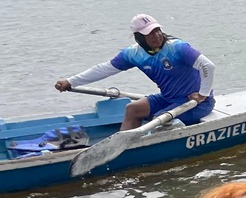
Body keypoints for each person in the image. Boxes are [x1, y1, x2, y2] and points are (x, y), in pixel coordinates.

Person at [55, 14, 215, 130]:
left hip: (195, 103)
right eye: (150, 33)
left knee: (158, 118)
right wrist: (71, 81)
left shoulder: (177, 47)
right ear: (139, 37)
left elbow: (208, 66)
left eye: (157, 30)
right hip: (168, 98)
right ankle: (123, 149)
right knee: (132, 109)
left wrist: (203, 94)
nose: (157, 35)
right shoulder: (133, 54)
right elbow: (103, 69)